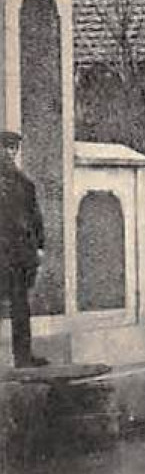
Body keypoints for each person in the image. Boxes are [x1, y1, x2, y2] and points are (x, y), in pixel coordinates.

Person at [0, 130, 47, 367]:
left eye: (13, 149)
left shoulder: (24, 183)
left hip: (19, 256)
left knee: (20, 306)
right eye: (5, 148)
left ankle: (23, 357)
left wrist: (39, 246)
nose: (9, 153)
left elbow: (35, 217)